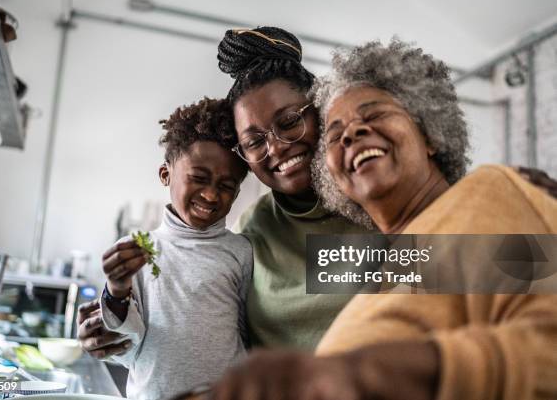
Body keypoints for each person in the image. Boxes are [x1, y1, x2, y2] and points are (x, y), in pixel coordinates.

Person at [208, 39, 557, 400]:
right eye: (336, 135)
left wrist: (367, 373)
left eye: (373, 116)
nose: (352, 133)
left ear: (429, 132)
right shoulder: (389, 261)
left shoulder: (476, 204)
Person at [77, 26, 371, 359]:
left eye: (289, 122)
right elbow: (198, 328)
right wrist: (113, 323)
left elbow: (437, 301)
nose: (276, 148)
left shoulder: (380, 210)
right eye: (254, 142)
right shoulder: (254, 230)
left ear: (321, 111)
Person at [98, 97, 253, 400]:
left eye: (226, 186)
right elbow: (123, 347)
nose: (210, 195)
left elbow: (251, 336)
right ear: (165, 174)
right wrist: (117, 289)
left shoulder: (242, 252)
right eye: (198, 178)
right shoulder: (135, 251)